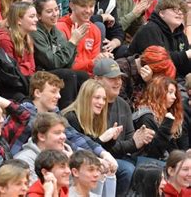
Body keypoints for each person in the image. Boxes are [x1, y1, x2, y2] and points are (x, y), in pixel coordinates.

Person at [11, 71, 118, 176]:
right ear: (38, 93)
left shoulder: (54, 113)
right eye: (53, 91)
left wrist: (103, 153)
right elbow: (67, 143)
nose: (59, 96)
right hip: (18, 166)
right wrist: (94, 159)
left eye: (59, 92)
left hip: (44, 163)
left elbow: (75, 136)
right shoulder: (25, 113)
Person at [93, 58, 155, 196]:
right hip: (102, 157)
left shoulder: (123, 104)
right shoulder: (93, 105)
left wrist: (141, 139)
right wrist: (133, 143)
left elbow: (130, 139)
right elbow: (99, 144)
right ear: (97, 79)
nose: (118, 82)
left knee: (159, 168)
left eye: (120, 78)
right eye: (112, 78)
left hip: (124, 156)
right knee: (127, 169)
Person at [32, 0, 90, 109]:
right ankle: (66, 113)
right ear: (39, 15)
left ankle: (82, 112)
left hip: (54, 70)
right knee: (68, 75)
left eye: (56, 9)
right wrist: (72, 42)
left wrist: (74, 44)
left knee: (83, 76)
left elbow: (68, 63)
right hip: (39, 73)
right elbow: (51, 62)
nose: (55, 14)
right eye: (49, 11)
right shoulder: (35, 33)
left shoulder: (57, 32)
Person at [128, 0, 191, 78]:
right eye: (175, 10)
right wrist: (186, 54)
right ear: (162, 13)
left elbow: (184, 67)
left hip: (173, 80)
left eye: (181, 10)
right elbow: (157, 62)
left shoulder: (181, 35)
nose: (180, 13)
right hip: (143, 81)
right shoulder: (150, 29)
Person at [57, 0, 110, 75]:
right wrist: (93, 62)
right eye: (83, 6)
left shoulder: (94, 30)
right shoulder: (60, 28)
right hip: (70, 77)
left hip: (90, 79)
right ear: (72, 6)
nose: (88, 11)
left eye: (91, 6)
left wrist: (102, 59)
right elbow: (65, 65)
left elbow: (94, 64)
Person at [132, 76, 187, 160]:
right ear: (158, 93)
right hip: (148, 164)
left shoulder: (168, 115)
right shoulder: (146, 117)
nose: (174, 97)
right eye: (170, 92)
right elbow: (154, 153)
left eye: (175, 94)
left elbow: (172, 148)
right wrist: (166, 125)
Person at [62, 79, 124, 154]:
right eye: (97, 97)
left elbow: (102, 151)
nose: (101, 102)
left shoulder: (96, 116)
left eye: (104, 99)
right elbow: (81, 153)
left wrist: (111, 139)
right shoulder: (71, 117)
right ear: (86, 98)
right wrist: (102, 139)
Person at [14, 112, 71, 183]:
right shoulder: (24, 160)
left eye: (63, 132)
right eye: (57, 133)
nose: (63, 137)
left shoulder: (64, 157)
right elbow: (33, 191)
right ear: (41, 136)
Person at [0, 1, 37, 78]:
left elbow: (32, 68)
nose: (36, 19)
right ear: (19, 20)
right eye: (32, 16)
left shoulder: (28, 38)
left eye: (36, 16)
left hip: (26, 80)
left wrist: (25, 66)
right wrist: (27, 66)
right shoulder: (4, 40)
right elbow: (11, 71)